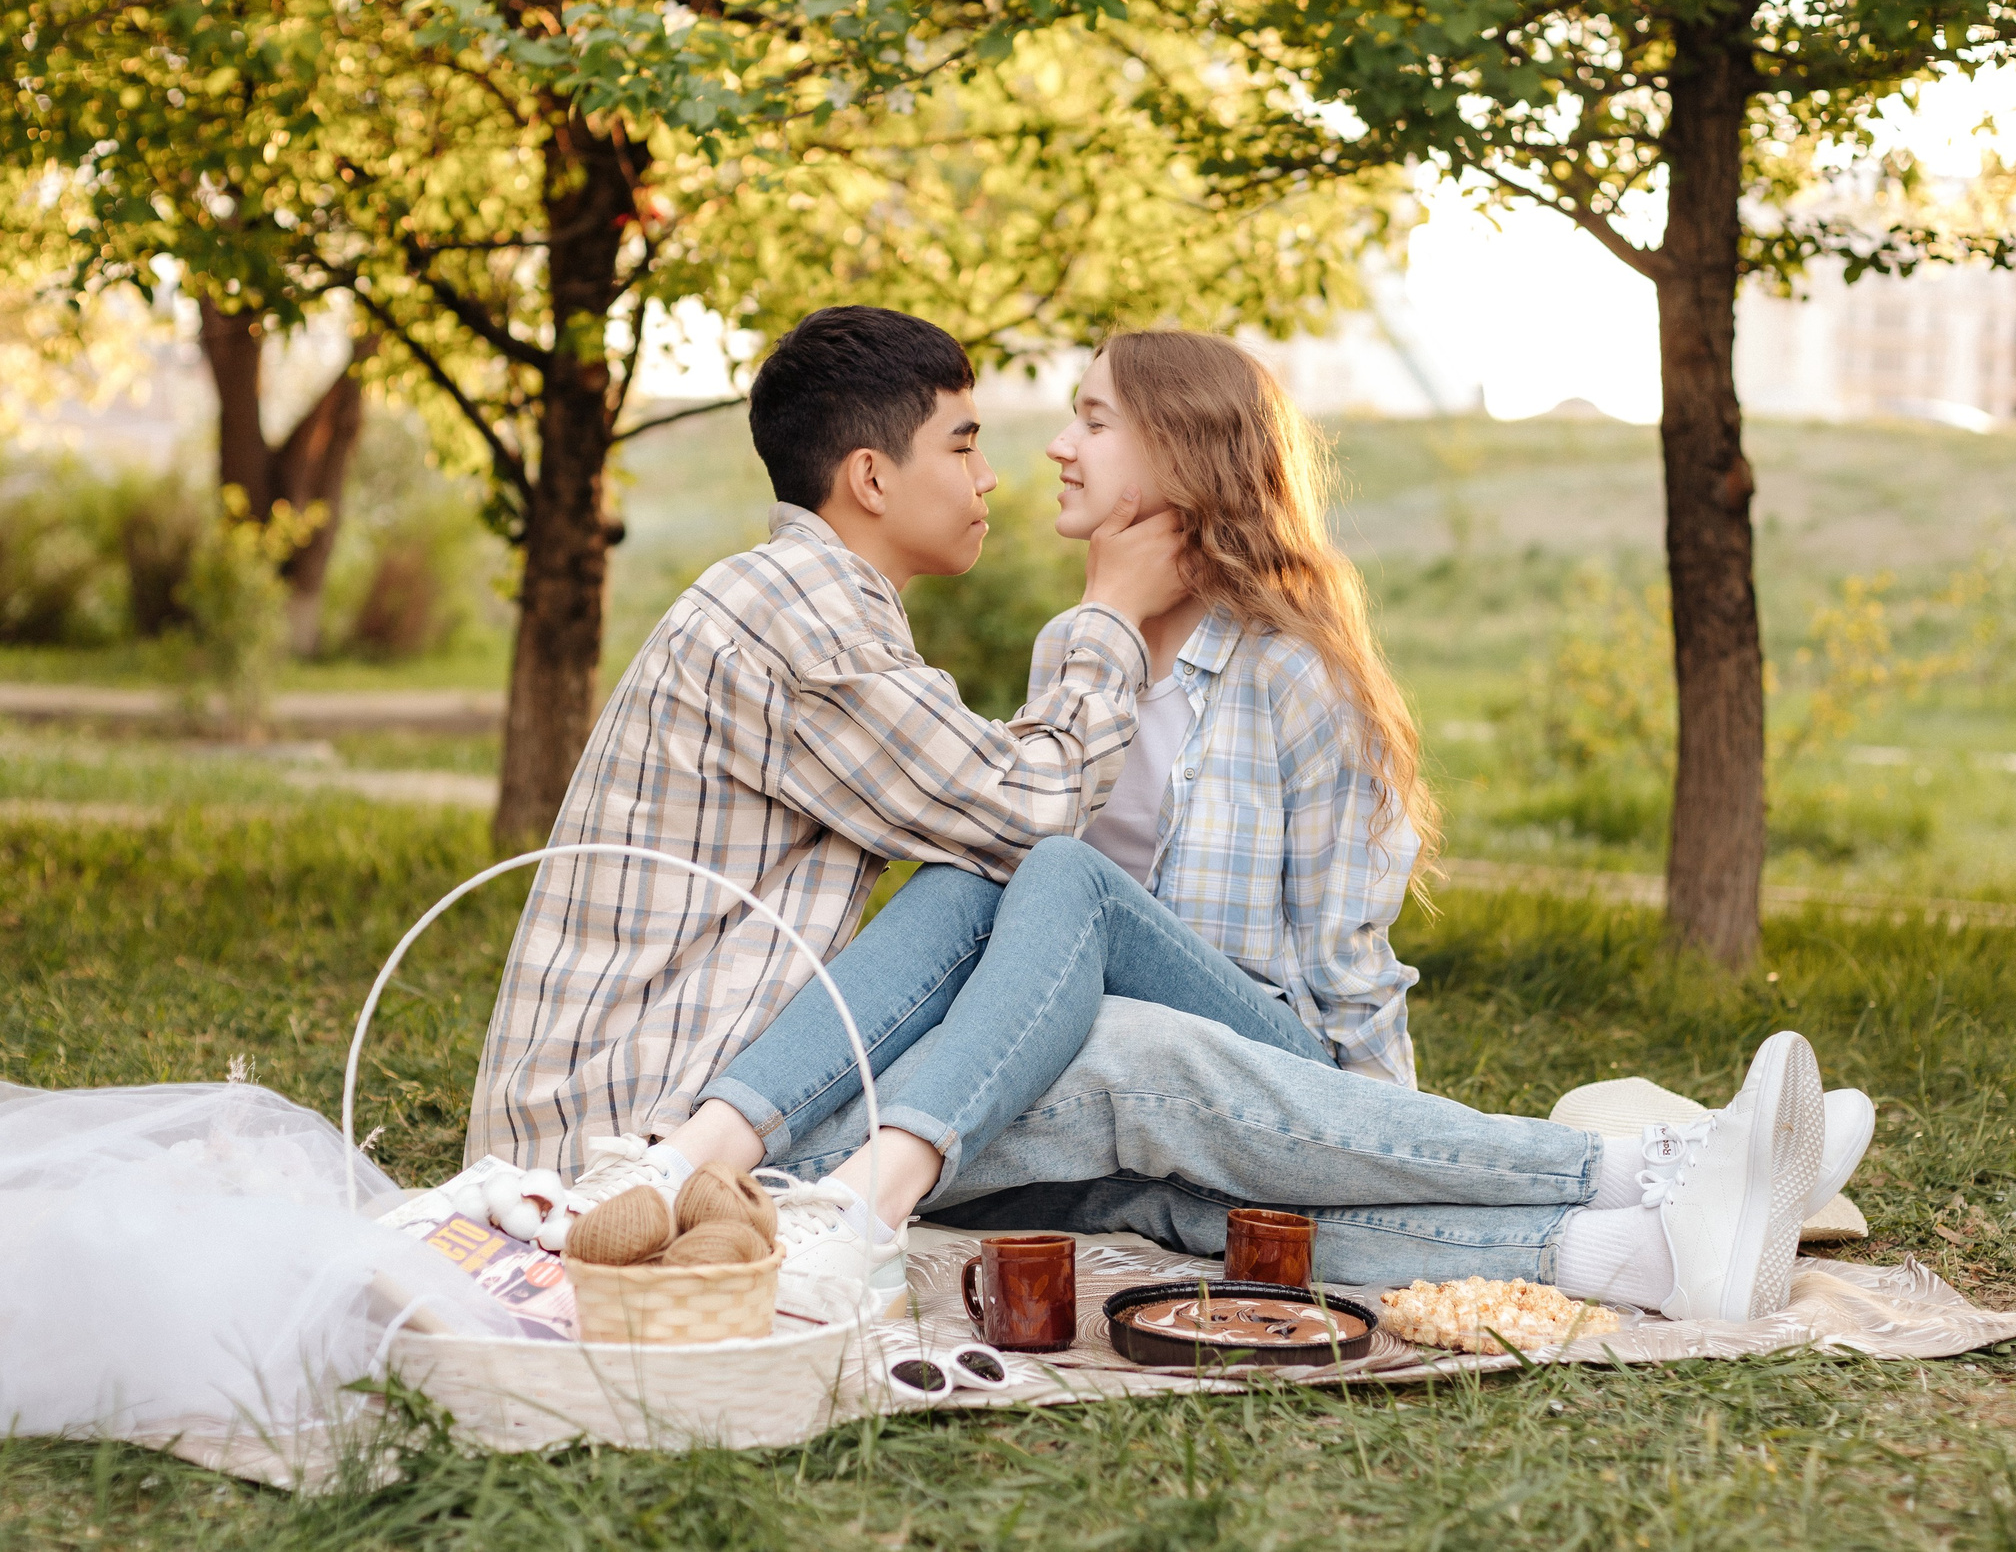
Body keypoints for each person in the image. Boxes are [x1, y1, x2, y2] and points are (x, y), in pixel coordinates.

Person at [528, 327, 1871, 1325]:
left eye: (1092, 420)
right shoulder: (1078, 647)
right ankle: (1636, 1244)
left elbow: (1347, 956)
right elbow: (1001, 878)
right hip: (1086, 1032)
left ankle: (1653, 1162)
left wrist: (1371, 1135)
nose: (1051, 449)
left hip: (1267, 1037)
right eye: (1017, 430)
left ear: (1178, 456)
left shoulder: (1290, 674)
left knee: (1065, 895)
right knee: (1129, 1118)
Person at [466, 305, 1192, 1184]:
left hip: (643, 1091)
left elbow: (980, 796)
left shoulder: (793, 594)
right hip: (631, 1121)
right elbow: (1025, 815)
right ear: (872, 480)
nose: (990, 477)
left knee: (1042, 1066)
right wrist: (1112, 614)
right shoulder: (806, 622)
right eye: (963, 446)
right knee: (1094, 1096)